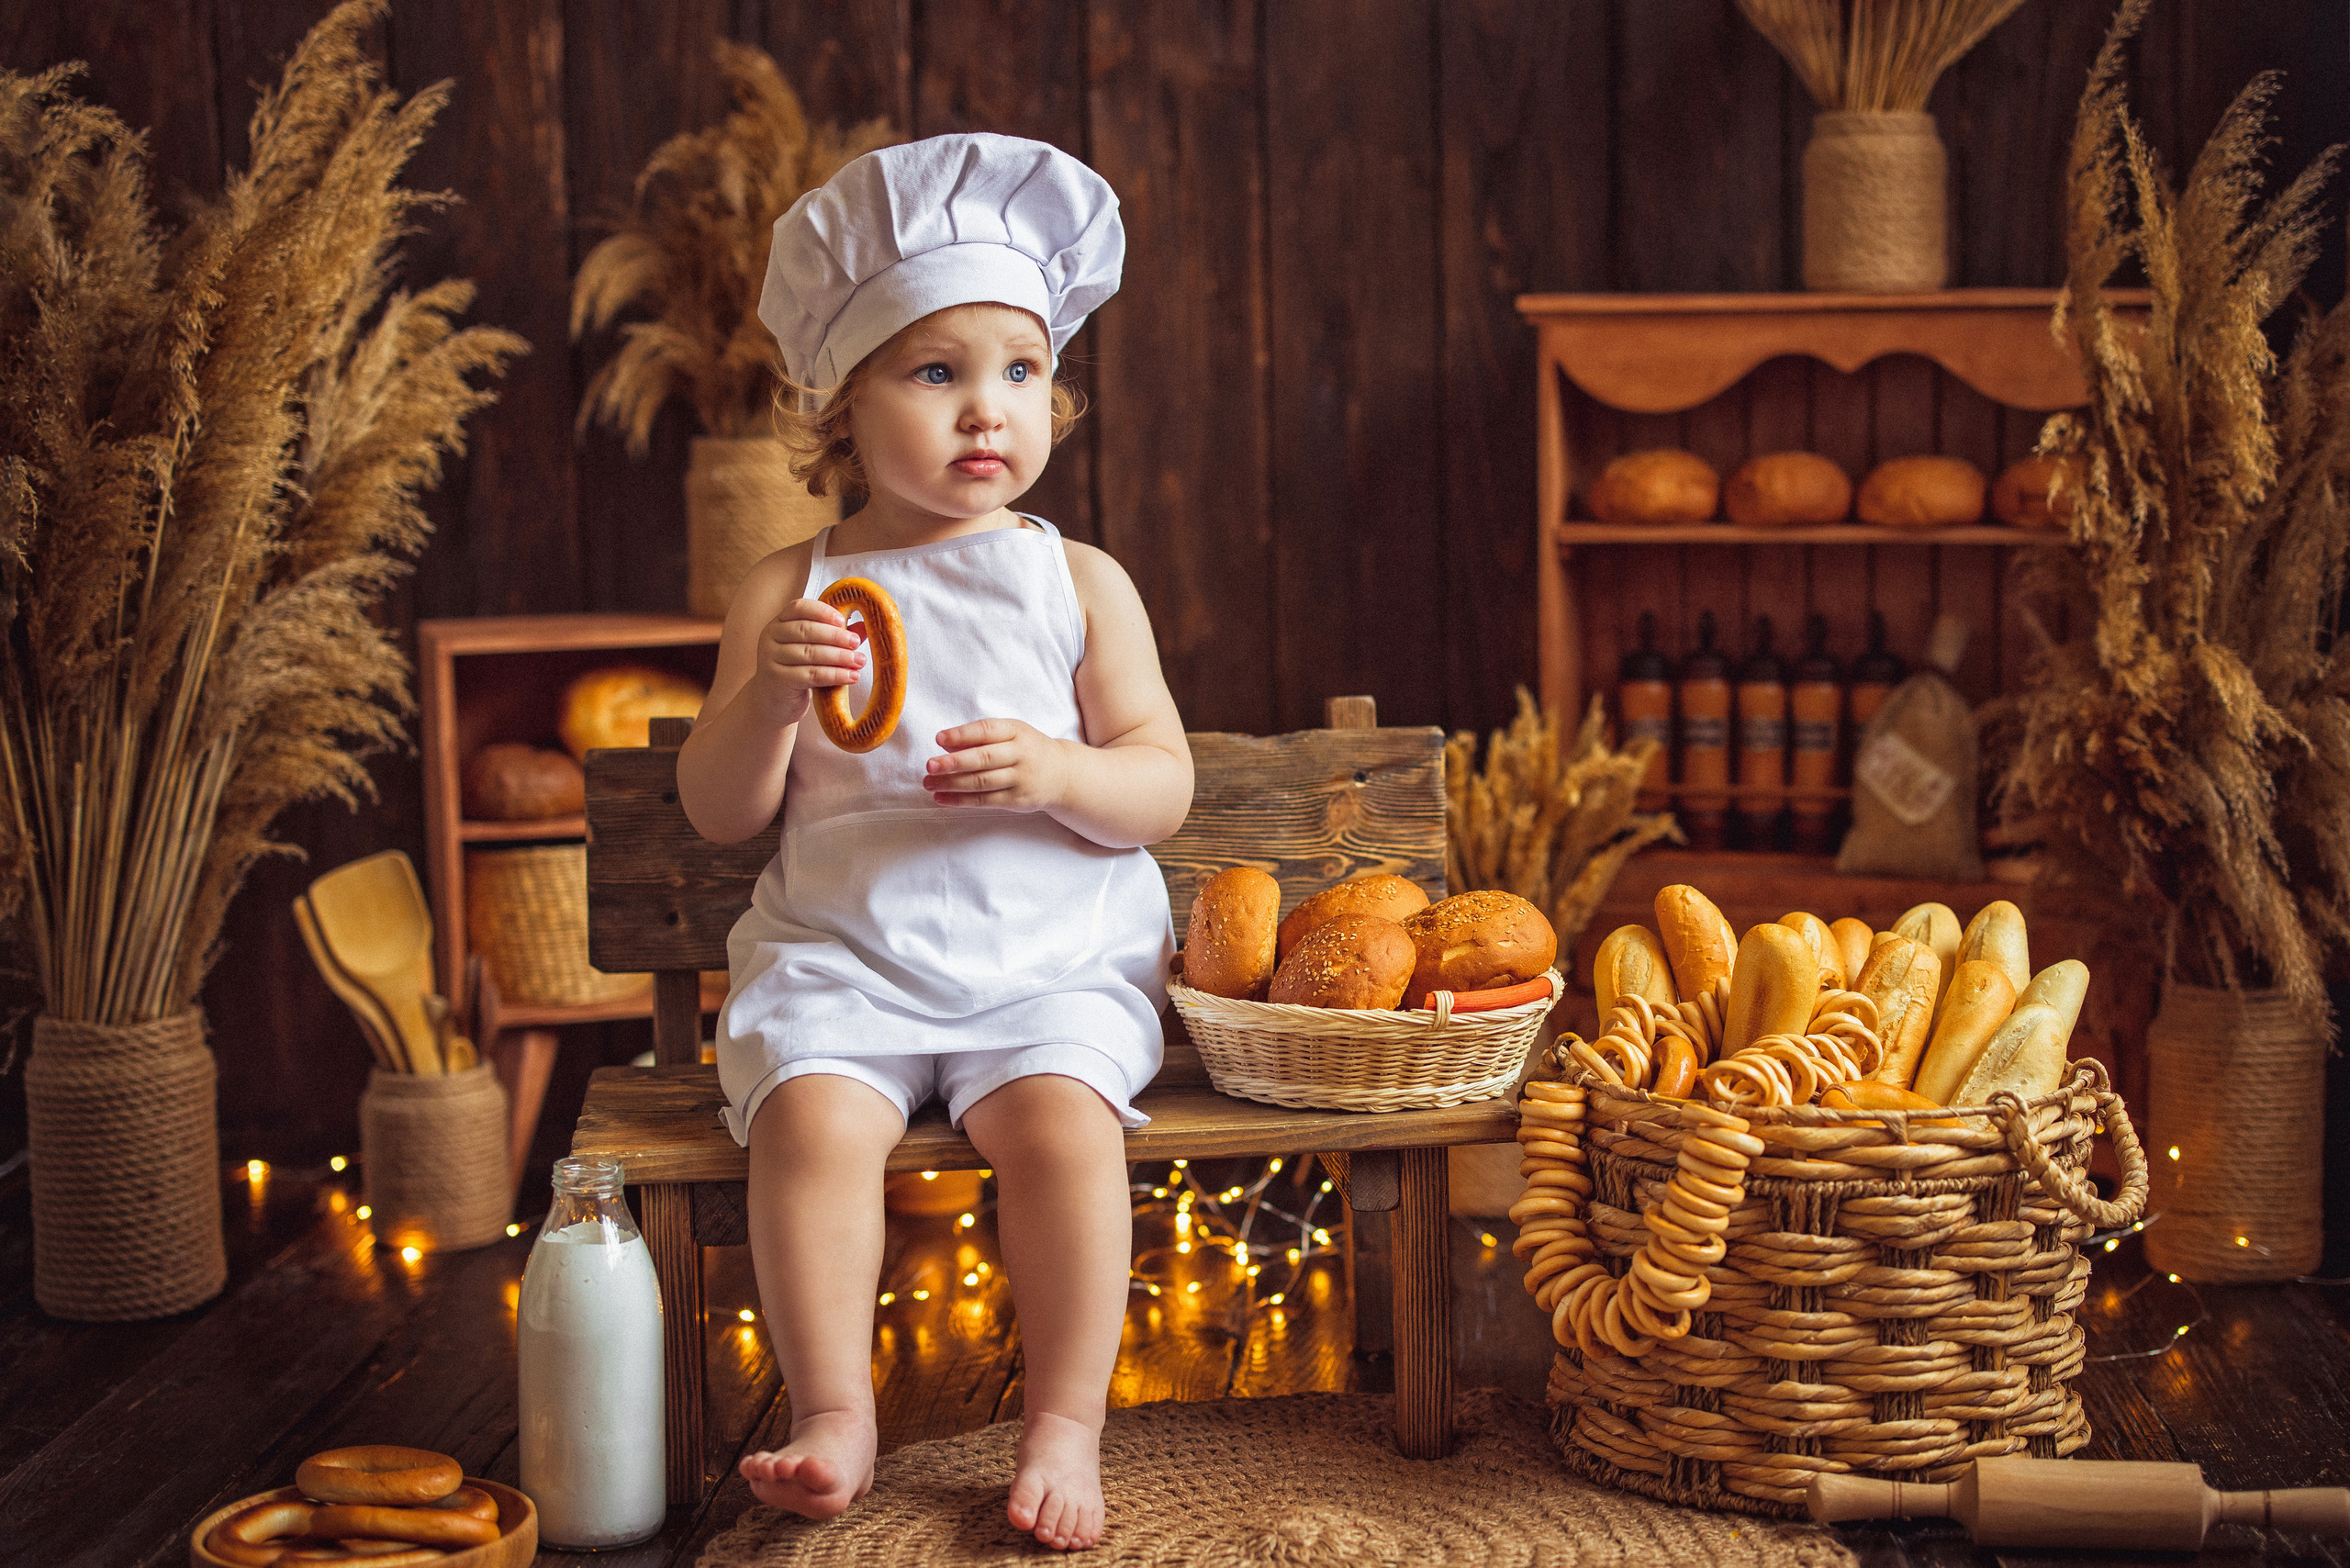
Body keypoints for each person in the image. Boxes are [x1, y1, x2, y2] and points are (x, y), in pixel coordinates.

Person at [676, 132, 1191, 1552]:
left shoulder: (1076, 581)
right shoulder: (796, 585)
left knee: (1064, 1132)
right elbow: (721, 810)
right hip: (852, 958)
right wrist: (772, 694)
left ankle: (1063, 1424)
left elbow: (1162, 786)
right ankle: (837, 1408)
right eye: (936, 371)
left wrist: (1059, 771)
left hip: (1047, 962)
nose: (987, 411)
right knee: (812, 1124)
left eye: (1020, 373)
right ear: (842, 406)